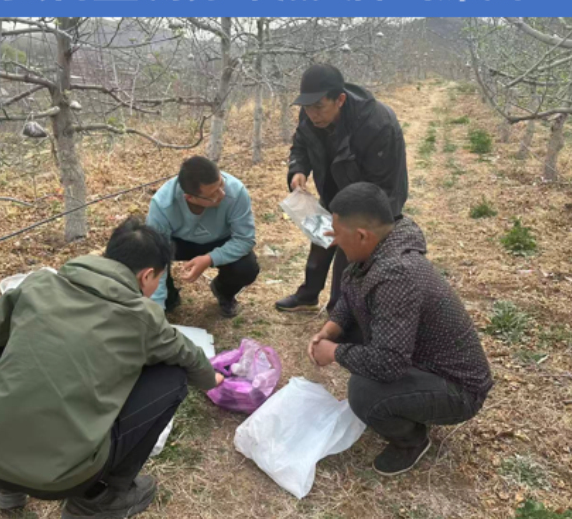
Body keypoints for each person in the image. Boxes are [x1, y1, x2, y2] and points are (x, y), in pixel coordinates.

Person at [0, 218, 222, 519]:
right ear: (147, 275)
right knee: (172, 378)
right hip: (65, 478)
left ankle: (3, 483)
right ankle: (98, 498)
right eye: (159, 280)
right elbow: (189, 357)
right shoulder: (143, 316)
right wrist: (212, 380)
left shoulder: (39, 284)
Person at [308, 183, 492, 476]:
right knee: (356, 344)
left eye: (338, 233)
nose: (333, 240)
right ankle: (410, 402)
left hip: (459, 390)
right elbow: (355, 294)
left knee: (364, 392)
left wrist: (334, 352)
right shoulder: (384, 245)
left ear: (362, 235)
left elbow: (388, 363)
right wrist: (330, 330)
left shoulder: (396, 275)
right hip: (425, 362)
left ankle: (411, 441)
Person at [276, 64, 409, 313]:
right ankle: (308, 295)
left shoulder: (377, 124)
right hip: (334, 188)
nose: (312, 114)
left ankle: (339, 311)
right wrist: (298, 170)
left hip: (376, 194)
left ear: (340, 100)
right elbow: (300, 145)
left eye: (318, 107)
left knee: (348, 255)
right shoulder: (310, 112)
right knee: (321, 240)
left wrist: (349, 223)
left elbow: (380, 184)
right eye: (307, 107)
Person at [146, 155, 259, 318]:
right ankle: (169, 298)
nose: (222, 194)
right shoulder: (162, 205)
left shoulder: (236, 191)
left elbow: (245, 239)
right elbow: (155, 256)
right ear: (190, 197)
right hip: (178, 243)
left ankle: (223, 291)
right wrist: (156, 310)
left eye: (221, 184)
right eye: (213, 194)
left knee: (247, 268)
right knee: (142, 254)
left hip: (220, 240)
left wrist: (209, 259)